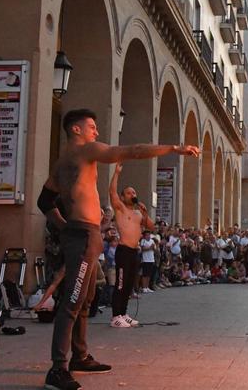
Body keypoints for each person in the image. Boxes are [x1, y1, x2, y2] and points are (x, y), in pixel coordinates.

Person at [36, 108, 199, 390]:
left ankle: (80, 355)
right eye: (91, 126)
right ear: (76, 129)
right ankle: (58, 368)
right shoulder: (86, 151)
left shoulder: (62, 162)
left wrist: (63, 226)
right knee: (73, 300)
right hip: (83, 234)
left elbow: (44, 200)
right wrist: (174, 148)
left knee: (86, 298)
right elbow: (132, 150)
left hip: (84, 233)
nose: (96, 131)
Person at [108, 163, 154, 328]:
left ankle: (123, 313)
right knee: (120, 284)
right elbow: (112, 192)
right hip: (123, 251)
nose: (132, 194)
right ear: (123, 197)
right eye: (129, 192)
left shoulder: (137, 213)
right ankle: (115, 316)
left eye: (134, 192)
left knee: (129, 285)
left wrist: (144, 212)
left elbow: (151, 226)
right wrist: (117, 173)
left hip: (135, 252)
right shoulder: (120, 209)